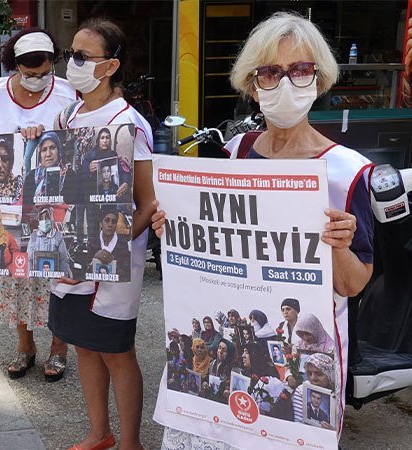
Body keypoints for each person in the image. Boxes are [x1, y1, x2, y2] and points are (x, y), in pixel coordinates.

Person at [156, 22, 372, 448]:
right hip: (234, 358)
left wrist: (339, 245)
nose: (286, 82)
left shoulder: (348, 172)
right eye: (271, 72)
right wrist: (176, 228)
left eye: (300, 69)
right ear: (252, 86)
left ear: (319, 80)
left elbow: (352, 284)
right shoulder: (237, 153)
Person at [44, 18, 156, 450]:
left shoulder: (130, 123)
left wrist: (97, 256)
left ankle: (130, 442)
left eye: (81, 57)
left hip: (111, 263)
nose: (70, 63)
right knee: (82, 346)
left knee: (115, 352)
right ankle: (99, 432)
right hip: (68, 253)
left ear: (109, 67)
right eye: (68, 54)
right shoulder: (66, 114)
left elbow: (146, 205)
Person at [0, 28, 75, 383]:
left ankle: (59, 349)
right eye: (27, 71)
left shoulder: (67, 93)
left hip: (54, 200)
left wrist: (45, 136)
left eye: (42, 70)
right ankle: (25, 345)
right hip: (8, 202)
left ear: (53, 62)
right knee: (16, 273)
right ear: (13, 64)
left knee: (54, 276)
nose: (35, 78)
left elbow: (77, 145)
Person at [22, 131, 79, 204]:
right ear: (40, 155)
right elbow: (26, 207)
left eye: (52, 148)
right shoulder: (31, 177)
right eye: (44, 150)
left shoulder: (70, 175)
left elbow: (74, 206)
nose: (48, 154)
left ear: (59, 151)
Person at [291, 353, 335, 428]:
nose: (313, 378)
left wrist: (333, 430)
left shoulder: (336, 394)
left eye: (319, 374)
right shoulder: (301, 391)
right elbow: (297, 422)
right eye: (309, 373)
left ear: (329, 375)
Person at [27, 206, 72, 276]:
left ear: (51, 219)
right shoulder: (33, 237)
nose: (44, 221)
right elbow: (29, 260)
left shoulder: (58, 236)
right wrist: (32, 276)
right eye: (42, 218)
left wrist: (61, 277)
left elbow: (63, 260)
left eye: (47, 218)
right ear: (38, 220)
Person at [86, 205, 130, 274]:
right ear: (101, 223)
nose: (110, 225)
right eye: (106, 220)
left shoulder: (123, 244)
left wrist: (113, 261)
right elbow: (85, 270)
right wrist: (95, 257)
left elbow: (127, 271)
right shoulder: (92, 242)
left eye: (114, 221)